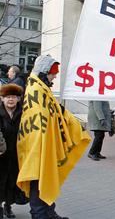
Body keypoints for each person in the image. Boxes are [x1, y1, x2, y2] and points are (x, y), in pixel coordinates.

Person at [17, 55, 91, 219]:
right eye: (53, 73)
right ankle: (39, 214)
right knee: (38, 179)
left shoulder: (41, 88)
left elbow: (57, 111)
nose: (55, 76)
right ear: (45, 72)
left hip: (42, 143)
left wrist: (74, 123)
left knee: (48, 177)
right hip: (36, 146)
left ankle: (49, 212)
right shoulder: (35, 89)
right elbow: (42, 116)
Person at [0, 84, 23, 218]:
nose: (10, 99)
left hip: (16, 153)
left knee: (12, 180)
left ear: (18, 99)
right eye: (8, 97)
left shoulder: (23, 113)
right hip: (1, 153)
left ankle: (8, 206)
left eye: (13, 97)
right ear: (2, 98)